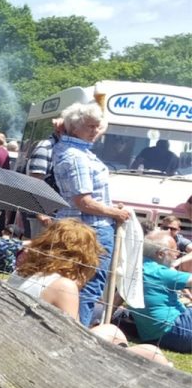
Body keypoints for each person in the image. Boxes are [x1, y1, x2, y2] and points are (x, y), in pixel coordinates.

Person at [6, 219, 169, 365]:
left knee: (111, 330)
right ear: (84, 255)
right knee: (150, 352)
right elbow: (74, 338)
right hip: (49, 358)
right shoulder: (63, 286)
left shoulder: (21, 274)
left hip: (23, 341)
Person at [51, 102, 132, 326]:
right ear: (75, 127)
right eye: (91, 126)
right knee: (88, 286)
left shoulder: (68, 146)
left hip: (77, 226)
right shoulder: (76, 156)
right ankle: (79, 332)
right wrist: (115, 212)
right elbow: (83, 202)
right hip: (90, 229)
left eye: (97, 126)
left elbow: (100, 124)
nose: (96, 130)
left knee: (72, 282)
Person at [130, 229, 192, 352]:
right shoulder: (160, 272)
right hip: (179, 332)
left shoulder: (135, 269)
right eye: (174, 251)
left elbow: (118, 297)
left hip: (151, 336)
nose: (177, 255)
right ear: (160, 254)